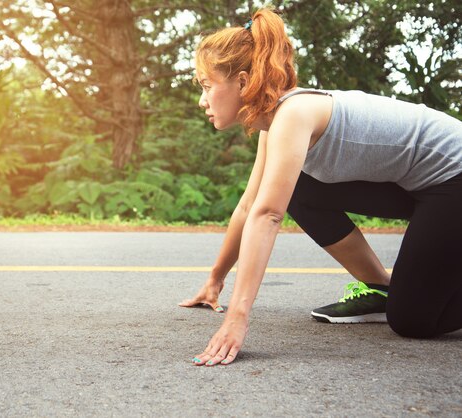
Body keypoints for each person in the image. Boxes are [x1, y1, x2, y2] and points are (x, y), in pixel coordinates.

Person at [178, 7, 462, 367]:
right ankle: (380, 286)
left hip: (454, 178)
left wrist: (237, 318)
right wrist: (215, 281)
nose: (202, 100)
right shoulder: (274, 122)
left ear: (244, 82)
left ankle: (401, 297)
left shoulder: (293, 114)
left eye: (206, 86)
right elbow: (250, 206)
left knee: (413, 320)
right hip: (417, 184)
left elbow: (267, 216)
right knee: (299, 189)